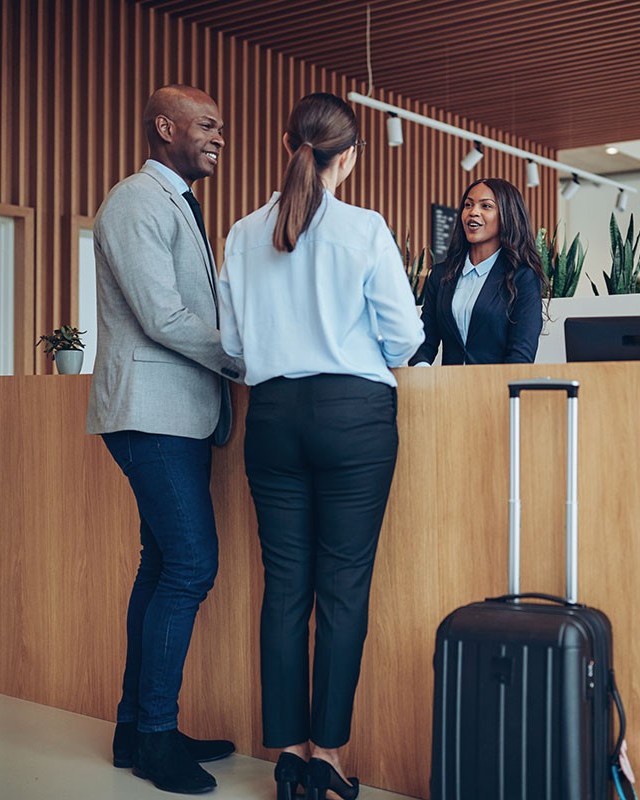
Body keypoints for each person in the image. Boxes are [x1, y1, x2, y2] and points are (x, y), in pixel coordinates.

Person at [218, 92, 423, 800]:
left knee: (285, 589)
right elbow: (404, 338)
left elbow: (233, 347)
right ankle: (328, 757)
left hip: (271, 416)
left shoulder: (243, 233)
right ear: (351, 158)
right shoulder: (364, 229)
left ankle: (289, 755)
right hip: (353, 416)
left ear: (286, 144)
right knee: (341, 588)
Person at [86, 84, 244, 794]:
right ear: (164, 126)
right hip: (150, 416)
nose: (218, 136)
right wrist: (244, 356)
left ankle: (135, 729)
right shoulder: (136, 201)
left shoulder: (174, 202)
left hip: (174, 416)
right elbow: (161, 314)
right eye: (207, 125)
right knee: (189, 567)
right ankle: (154, 739)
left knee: (160, 569)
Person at [409, 177, 546, 366]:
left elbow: (521, 354)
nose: (473, 212)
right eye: (468, 205)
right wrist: (421, 370)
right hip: (446, 390)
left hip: (496, 389)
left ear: (507, 215)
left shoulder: (523, 277)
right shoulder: (441, 274)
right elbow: (425, 341)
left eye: (486, 206)